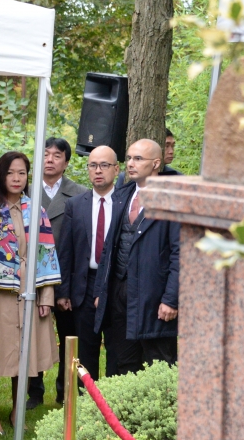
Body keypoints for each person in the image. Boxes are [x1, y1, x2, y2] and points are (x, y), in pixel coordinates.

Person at [0, 151, 59, 435]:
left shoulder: (37, 209)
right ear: (1, 176)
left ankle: (19, 411)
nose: (17, 178)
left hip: (28, 294)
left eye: (22, 173)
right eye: (10, 173)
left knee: (24, 357)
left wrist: (46, 297)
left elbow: (46, 254)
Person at [92, 139, 180, 375]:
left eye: (138, 159)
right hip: (120, 292)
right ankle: (123, 413)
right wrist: (102, 290)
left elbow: (180, 254)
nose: (131, 164)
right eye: (129, 158)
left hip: (154, 294)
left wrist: (171, 299)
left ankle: (161, 413)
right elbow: (110, 246)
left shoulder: (172, 198)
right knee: (124, 361)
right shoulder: (123, 194)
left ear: (156, 163)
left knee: (159, 363)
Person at [57, 145, 118, 380]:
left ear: (116, 169)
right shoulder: (76, 204)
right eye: (93, 165)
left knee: (115, 348)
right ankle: (85, 403)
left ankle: (113, 402)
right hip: (84, 284)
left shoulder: (124, 203)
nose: (98, 170)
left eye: (104, 165)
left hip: (114, 283)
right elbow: (66, 250)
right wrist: (63, 291)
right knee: (85, 351)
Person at [40, 136, 83, 406]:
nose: (50, 159)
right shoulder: (26, 190)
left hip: (65, 276)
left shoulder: (79, 194)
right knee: (32, 336)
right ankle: (32, 392)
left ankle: (66, 390)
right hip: (34, 277)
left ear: (66, 162)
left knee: (69, 336)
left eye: (57, 155)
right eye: (46, 154)